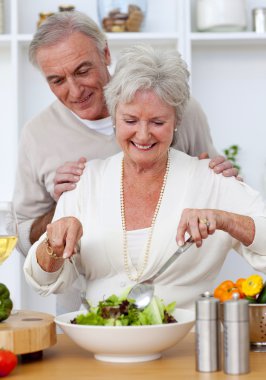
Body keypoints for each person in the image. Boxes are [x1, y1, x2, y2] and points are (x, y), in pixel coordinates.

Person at [24, 44, 266, 311]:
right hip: (100, 342)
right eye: (130, 120)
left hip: (188, 343)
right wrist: (53, 245)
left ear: (176, 122)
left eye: (157, 122)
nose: (142, 135)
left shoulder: (212, 180)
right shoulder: (86, 182)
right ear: (114, 116)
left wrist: (226, 219)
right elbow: (44, 280)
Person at [13, 11, 237, 259]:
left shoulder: (173, 107)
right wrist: (64, 205)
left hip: (174, 285)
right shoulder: (37, 135)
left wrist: (217, 179)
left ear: (106, 53)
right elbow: (23, 238)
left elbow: (224, 202)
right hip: (83, 295)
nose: (75, 91)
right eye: (57, 81)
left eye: (83, 71)